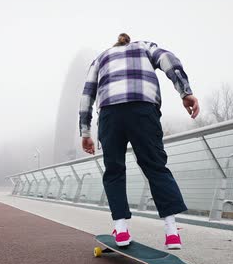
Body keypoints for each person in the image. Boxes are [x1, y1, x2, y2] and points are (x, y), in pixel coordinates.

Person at [79, 33, 199, 249]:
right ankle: (172, 232)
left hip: (110, 113)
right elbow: (168, 59)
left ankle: (121, 229)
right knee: (155, 167)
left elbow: (87, 94)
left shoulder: (101, 58)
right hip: (143, 109)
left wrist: (85, 131)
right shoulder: (145, 47)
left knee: (114, 170)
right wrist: (185, 92)